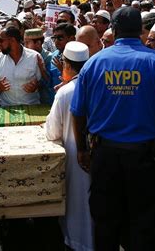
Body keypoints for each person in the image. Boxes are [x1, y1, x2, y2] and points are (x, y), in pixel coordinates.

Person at [71, 7, 155, 250]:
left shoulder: (94, 64)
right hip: (145, 158)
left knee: (106, 224)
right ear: (142, 31)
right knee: (144, 223)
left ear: (114, 29)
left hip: (105, 157)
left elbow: (78, 111)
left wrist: (81, 148)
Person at [45, 42, 94, 251]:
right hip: (100, 155)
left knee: (78, 203)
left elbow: (52, 132)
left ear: (66, 65)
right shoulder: (99, 86)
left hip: (76, 157)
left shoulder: (66, 92)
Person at [0, 26, 42, 106]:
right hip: (6, 107)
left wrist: (36, 86)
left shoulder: (34, 57)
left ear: (13, 40)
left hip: (31, 106)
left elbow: (42, 81)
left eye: (1, 40)